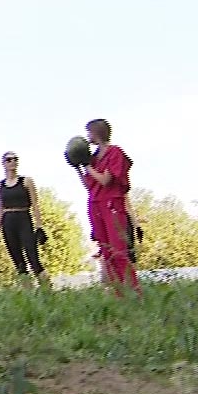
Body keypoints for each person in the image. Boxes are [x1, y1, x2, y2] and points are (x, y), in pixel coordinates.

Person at [78, 118, 141, 295]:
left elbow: (106, 180)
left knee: (118, 251)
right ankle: (118, 294)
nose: (87, 136)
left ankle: (135, 292)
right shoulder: (94, 157)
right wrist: (78, 167)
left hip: (111, 203)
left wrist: (88, 167)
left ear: (97, 132)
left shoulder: (114, 152)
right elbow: (88, 185)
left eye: (89, 132)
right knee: (106, 252)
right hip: (95, 204)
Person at [0, 151, 50, 287]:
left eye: (15, 159)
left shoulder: (26, 181)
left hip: (24, 218)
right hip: (8, 221)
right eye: (9, 159)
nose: (12, 162)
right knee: (18, 261)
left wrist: (39, 227)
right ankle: (28, 295)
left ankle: (48, 292)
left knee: (33, 258)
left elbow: (35, 204)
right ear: (3, 164)